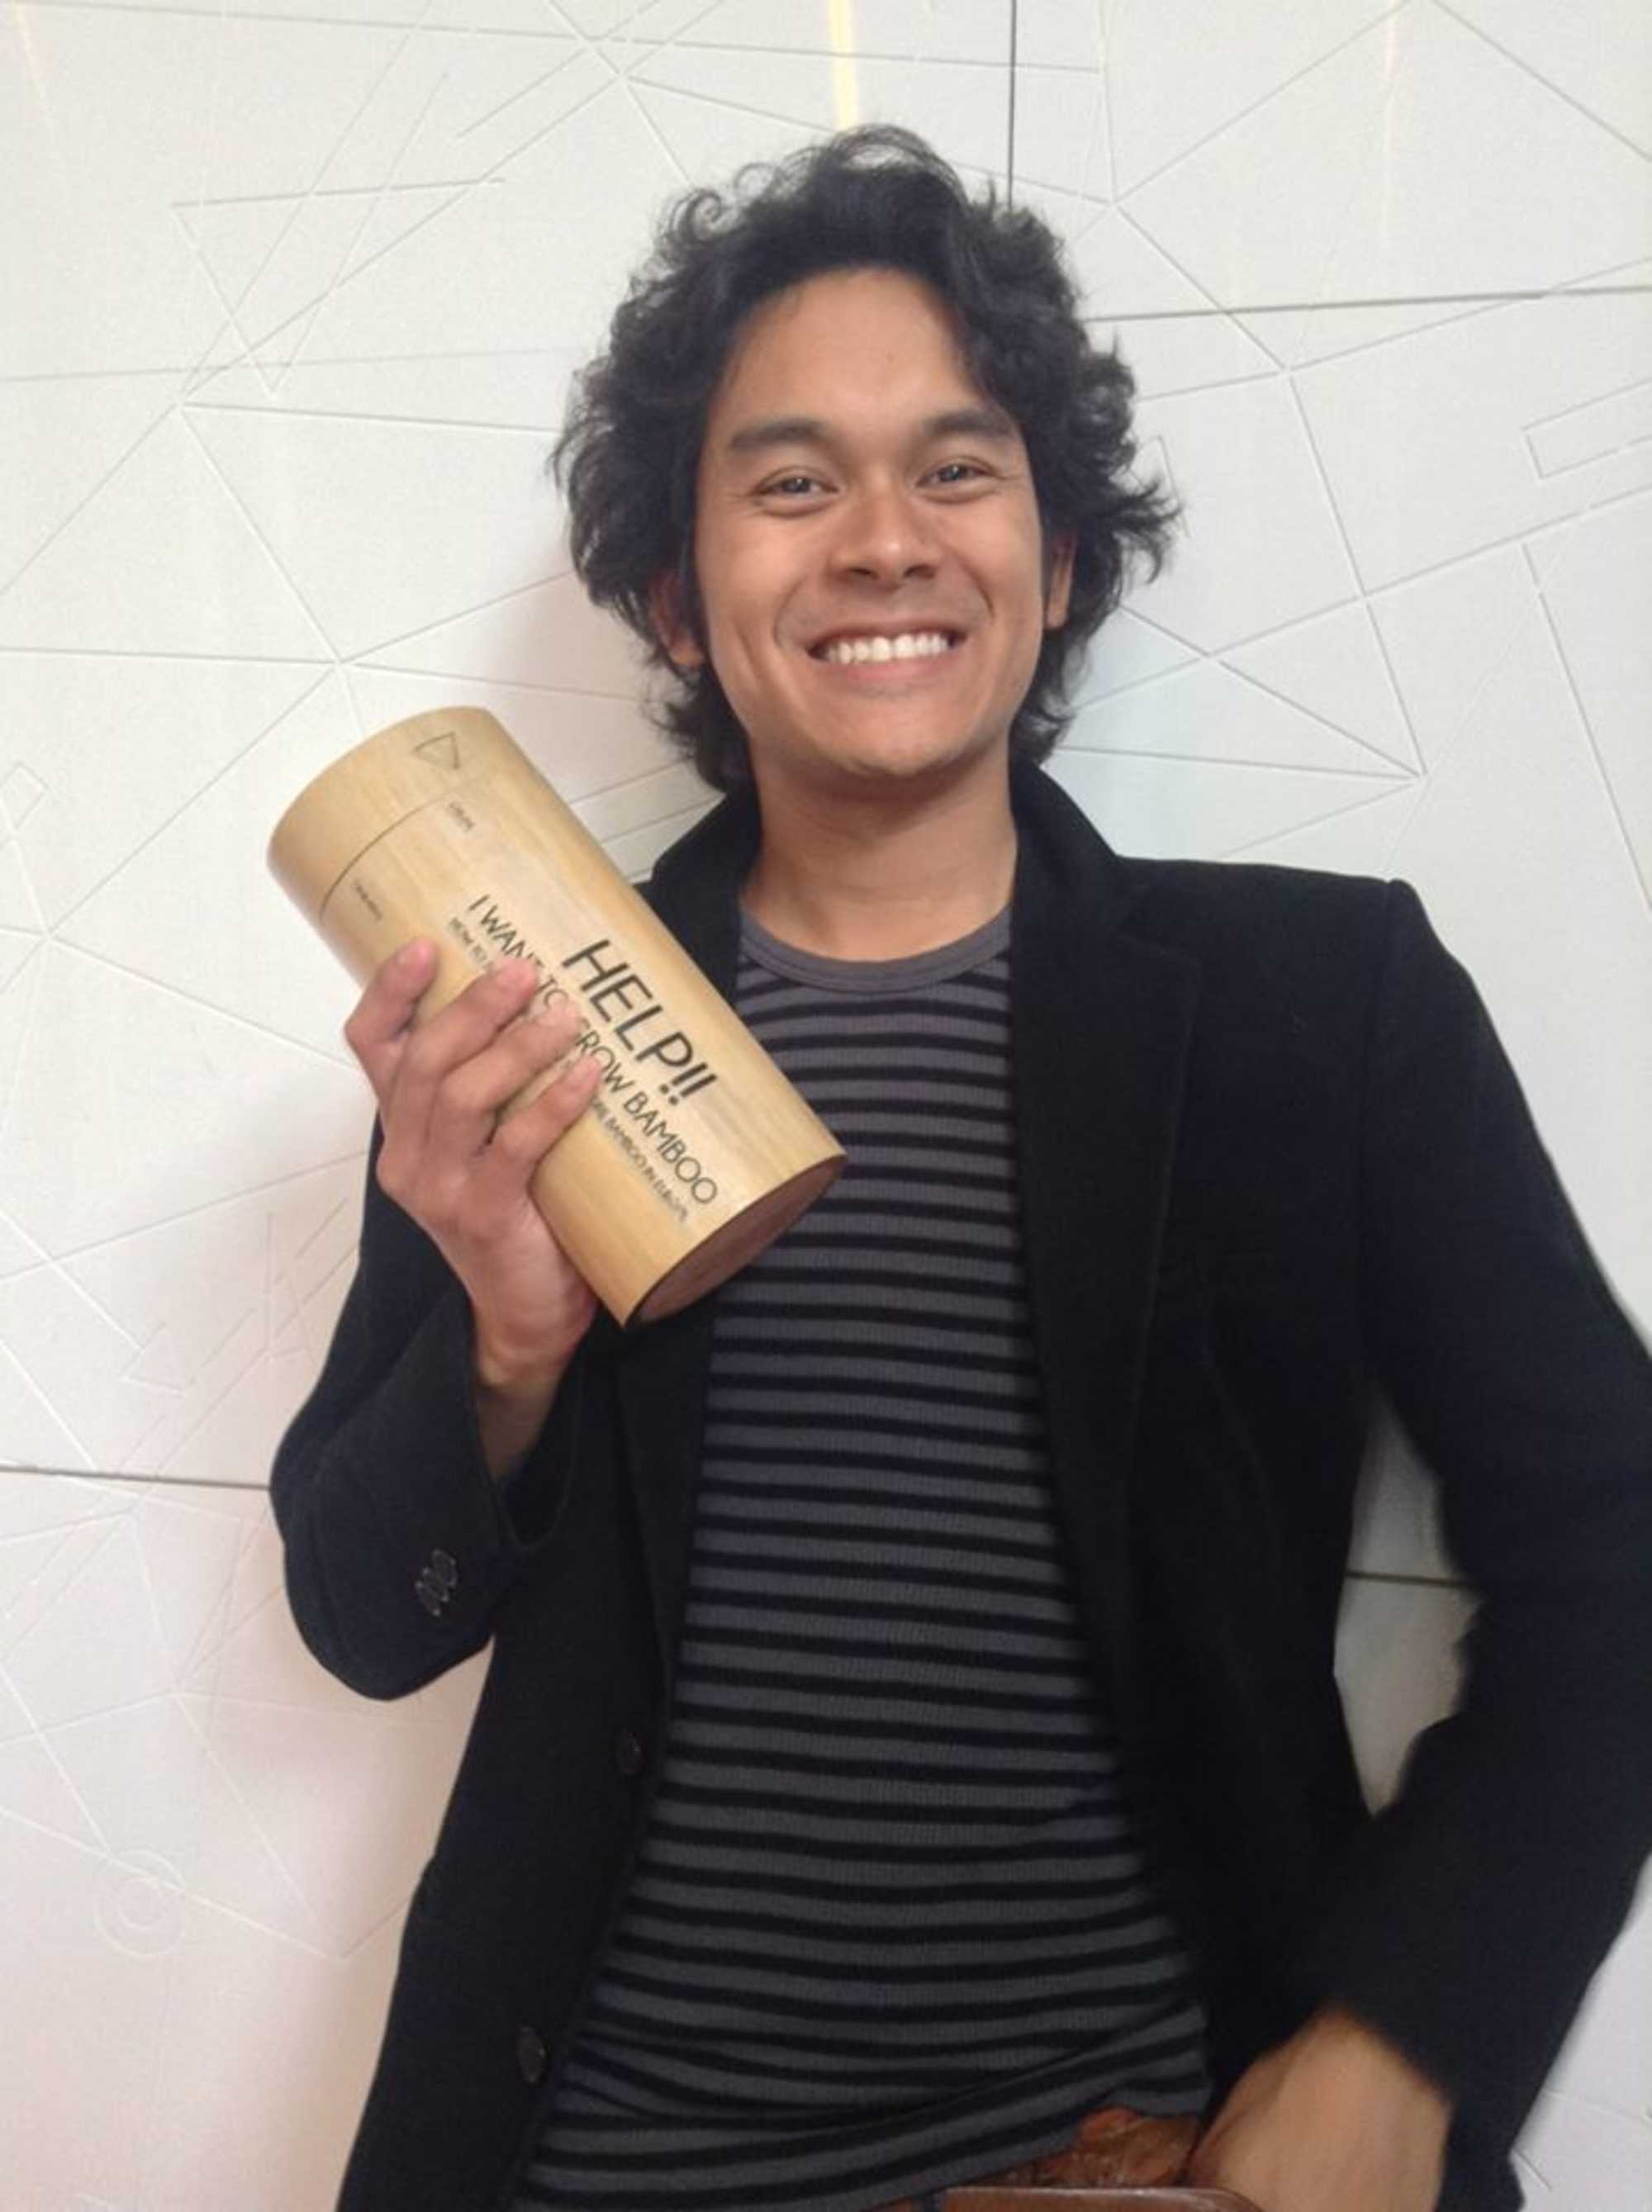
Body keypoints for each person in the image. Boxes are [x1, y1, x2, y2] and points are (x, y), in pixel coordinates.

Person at [271, 129, 1652, 2212]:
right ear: (678, 591)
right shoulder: (529, 1010)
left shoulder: (1322, 1005)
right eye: (791, 482)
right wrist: (507, 1348)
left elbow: (1618, 1546)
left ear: (1057, 555)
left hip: (1134, 2162)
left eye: (955, 467)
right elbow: (364, 1617)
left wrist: (1399, 2050)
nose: (882, 542)